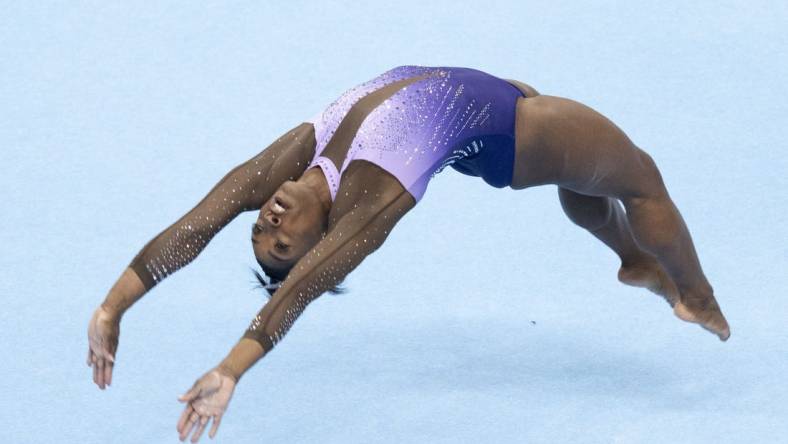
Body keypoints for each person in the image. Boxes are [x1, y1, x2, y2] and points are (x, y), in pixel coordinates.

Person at [86, 65, 730, 442]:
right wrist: (230, 369)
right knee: (640, 177)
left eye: (259, 232)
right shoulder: (375, 192)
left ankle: (634, 260)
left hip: (489, 105)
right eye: (283, 243)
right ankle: (696, 298)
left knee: (584, 183)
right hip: (515, 132)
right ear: (325, 237)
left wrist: (113, 307)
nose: (267, 224)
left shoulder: (299, 157)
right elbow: (302, 287)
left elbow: (198, 223)